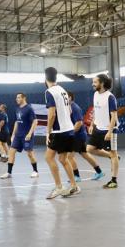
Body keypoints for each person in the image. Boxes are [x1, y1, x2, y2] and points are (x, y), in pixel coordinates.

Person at [43, 67, 80, 199]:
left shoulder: (49, 92)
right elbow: (69, 111)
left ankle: (58, 187)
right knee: (63, 159)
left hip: (59, 131)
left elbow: (52, 114)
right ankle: (74, 186)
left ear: (45, 77)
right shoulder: (63, 90)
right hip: (69, 129)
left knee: (48, 157)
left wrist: (48, 131)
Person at [88, 73, 121, 189]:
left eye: (95, 82)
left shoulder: (110, 97)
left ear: (101, 83)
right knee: (90, 149)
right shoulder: (95, 94)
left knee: (113, 154)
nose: (93, 84)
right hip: (98, 127)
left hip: (109, 129)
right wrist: (92, 124)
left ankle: (114, 180)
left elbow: (113, 116)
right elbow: (95, 112)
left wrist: (109, 131)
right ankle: (112, 156)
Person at [0, 93, 40, 179]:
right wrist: (13, 134)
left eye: (18, 97)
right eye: (16, 98)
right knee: (11, 152)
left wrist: (29, 133)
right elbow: (17, 122)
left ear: (24, 98)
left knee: (30, 154)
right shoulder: (17, 109)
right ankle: (9, 172)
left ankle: (35, 171)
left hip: (26, 135)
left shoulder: (29, 108)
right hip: (18, 135)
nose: (16, 99)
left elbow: (35, 121)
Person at [68, 91, 104, 182]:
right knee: (85, 154)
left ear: (70, 98)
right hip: (79, 135)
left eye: (65, 97)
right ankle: (99, 172)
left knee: (69, 156)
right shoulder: (68, 108)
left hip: (77, 136)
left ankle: (76, 176)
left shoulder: (74, 107)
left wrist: (70, 134)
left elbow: (79, 123)